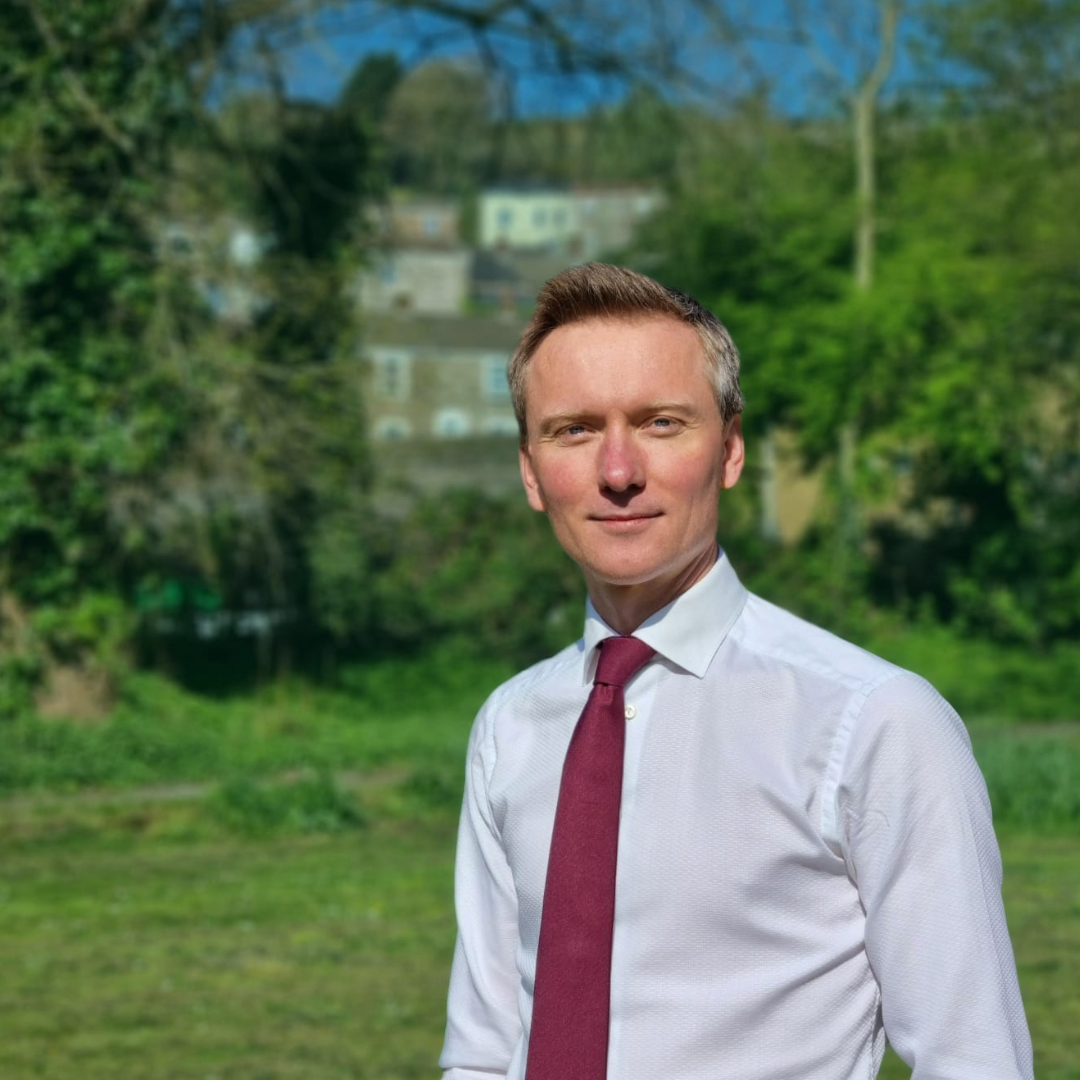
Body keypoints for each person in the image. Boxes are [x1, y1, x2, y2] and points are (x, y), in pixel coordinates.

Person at [440, 263, 1033, 1080]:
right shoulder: (509, 727)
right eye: (573, 430)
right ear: (530, 473)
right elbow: (481, 1053)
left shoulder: (874, 722)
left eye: (660, 423)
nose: (619, 471)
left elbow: (973, 1060)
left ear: (730, 450)